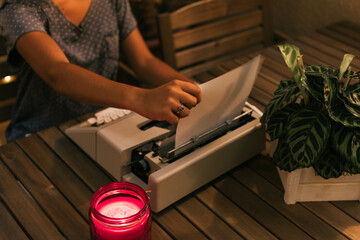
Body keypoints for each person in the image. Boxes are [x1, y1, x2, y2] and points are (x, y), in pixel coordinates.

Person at [0, 0, 202, 142]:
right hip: (40, 134)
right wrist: (141, 98)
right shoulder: (19, 8)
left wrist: (197, 90)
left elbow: (144, 61)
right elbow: (57, 72)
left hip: (102, 124)